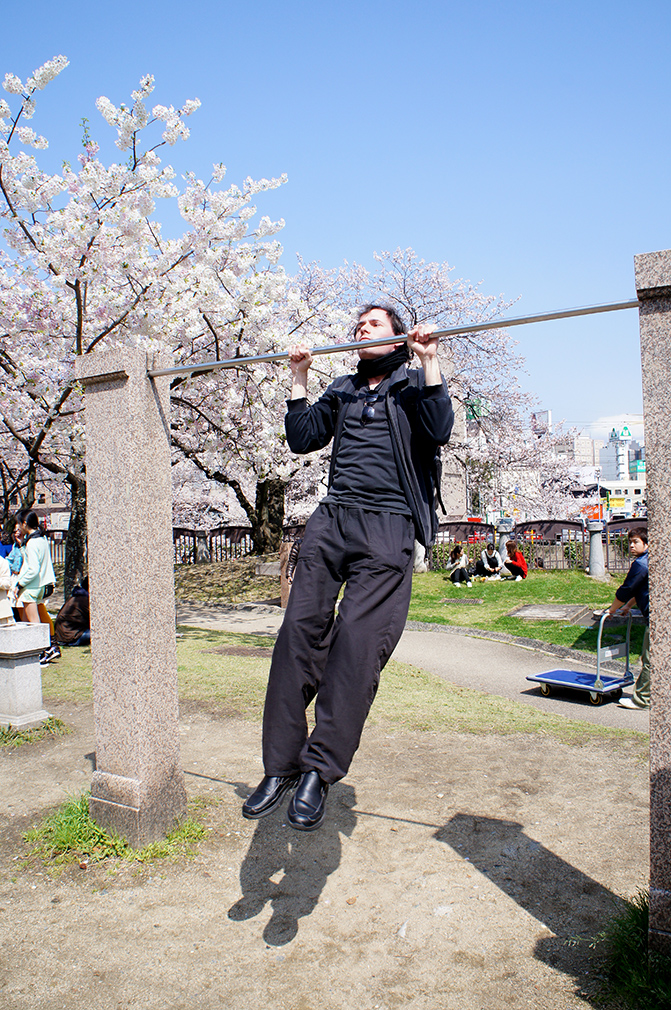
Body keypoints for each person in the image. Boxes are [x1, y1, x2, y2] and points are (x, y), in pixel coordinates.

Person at [242, 304, 454, 831]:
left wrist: (429, 362)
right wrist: (298, 377)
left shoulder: (411, 385)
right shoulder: (343, 387)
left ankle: (319, 770)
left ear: (399, 335)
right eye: (358, 326)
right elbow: (301, 437)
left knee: (357, 648)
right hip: (332, 520)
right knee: (297, 633)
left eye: (374, 324)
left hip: (388, 526)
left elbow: (440, 427)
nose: (362, 330)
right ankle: (280, 765)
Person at [604, 527, 649, 710]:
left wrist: (612, 610)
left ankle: (642, 700)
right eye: (630, 542)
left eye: (636, 542)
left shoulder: (640, 564)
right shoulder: (650, 560)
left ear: (647, 543)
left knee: (650, 661)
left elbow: (626, 589)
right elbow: (639, 588)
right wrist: (629, 606)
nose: (631, 545)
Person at [14, 510, 59, 664]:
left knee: (32, 623)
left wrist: (19, 584)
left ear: (25, 524)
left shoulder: (32, 542)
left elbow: (32, 568)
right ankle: (47, 649)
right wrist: (21, 545)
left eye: (19, 524)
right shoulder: (40, 539)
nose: (19, 527)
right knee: (34, 619)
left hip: (31, 587)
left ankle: (41, 652)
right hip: (41, 585)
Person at [53, 577, 90, 648]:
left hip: (65, 634)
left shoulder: (79, 597)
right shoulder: (83, 600)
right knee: (101, 633)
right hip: (71, 637)